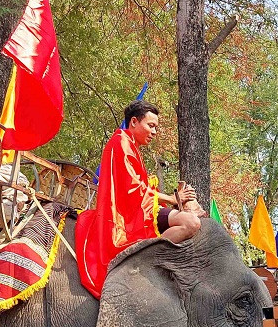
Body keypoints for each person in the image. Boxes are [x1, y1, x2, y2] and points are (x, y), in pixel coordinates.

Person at [74, 101, 201, 297]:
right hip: (130, 214)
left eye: (156, 127)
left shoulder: (131, 145)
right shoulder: (121, 142)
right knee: (191, 223)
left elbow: (141, 188)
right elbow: (133, 188)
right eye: (151, 125)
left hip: (143, 208)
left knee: (192, 220)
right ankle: (147, 258)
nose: (155, 132)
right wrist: (173, 199)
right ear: (134, 122)